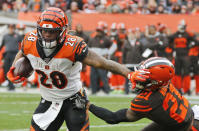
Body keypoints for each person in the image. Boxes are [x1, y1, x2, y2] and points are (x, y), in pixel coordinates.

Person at [6, 7, 134, 131]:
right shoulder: (30, 40)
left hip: (74, 100)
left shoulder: (73, 46)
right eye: (44, 30)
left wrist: (129, 74)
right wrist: (14, 67)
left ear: (63, 31)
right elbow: (22, 52)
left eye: (52, 31)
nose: (47, 34)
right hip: (48, 100)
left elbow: (104, 63)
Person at [87, 57, 199, 131]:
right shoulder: (164, 82)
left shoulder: (146, 101)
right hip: (187, 116)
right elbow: (119, 68)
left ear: (154, 82)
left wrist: (89, 105)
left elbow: (113, 118)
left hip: (186, 126)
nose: (139, 77)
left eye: (143, 77)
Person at [0, 24, 20, 91]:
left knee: (12, 70)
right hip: (7, 55)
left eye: (12, 28)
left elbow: (23, 44)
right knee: (6, 70)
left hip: (15, 55)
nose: (11, 29)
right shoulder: (5, 36)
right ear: (8, 28)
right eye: (10, 28)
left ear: (14, 28)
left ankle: (12, 86)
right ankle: (9, 85)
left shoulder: (17, 36)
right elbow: (2, 45)